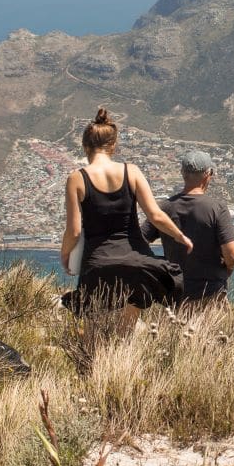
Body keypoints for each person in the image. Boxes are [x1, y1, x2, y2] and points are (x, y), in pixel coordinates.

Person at [61, 108, 192, 323]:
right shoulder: (131, 171)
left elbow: (74, 231)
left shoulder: (76, 178)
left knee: (93, 331)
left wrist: (65, 255)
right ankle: (122, 354)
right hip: (136, 262)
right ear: (113, 146)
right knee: (126, 328)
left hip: (98, 264)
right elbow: (156, 216)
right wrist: (180, 236)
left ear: (85, 146)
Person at [142, 149, 234, 307]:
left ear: (182, 174)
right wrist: (226, 271)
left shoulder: (165, 208)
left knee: (176, 332)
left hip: (175, 296)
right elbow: (232, 255)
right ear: (208, 174)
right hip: (210, 295)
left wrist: (159, 266)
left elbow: (139, 240)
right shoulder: (217, 208)